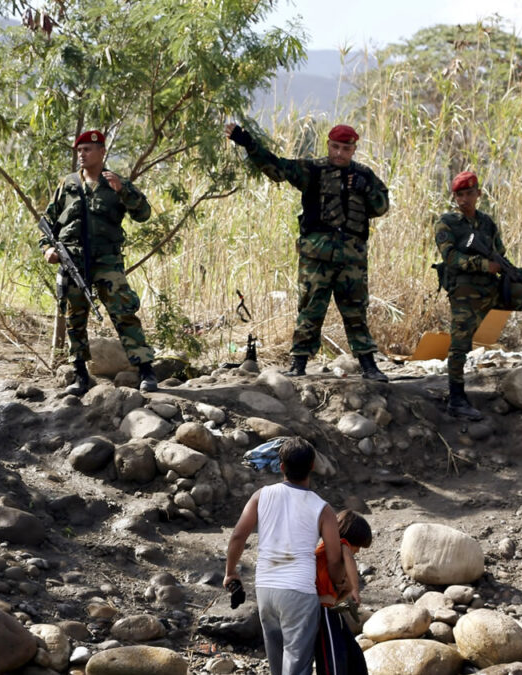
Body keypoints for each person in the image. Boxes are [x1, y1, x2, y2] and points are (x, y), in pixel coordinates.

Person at [225, 122, 390, 380]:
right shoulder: (312, 170)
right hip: (317, 257)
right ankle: (298, 364)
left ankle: (369, 365)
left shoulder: (365, 175)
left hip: (352, 259)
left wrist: (363, 187)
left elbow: (381, 207)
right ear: (328, 145)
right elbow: (276, 168)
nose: (339, 153)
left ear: (353, 149)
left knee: (356, 310)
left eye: (345, 149)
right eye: (335, 147)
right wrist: (246, 141)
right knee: (310, 309)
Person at [41, 129, 158, 396]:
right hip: (73, 261)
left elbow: (144, 214)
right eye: (79, 151)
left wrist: (124, 190)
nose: (82, 155)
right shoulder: (68, 184)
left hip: (107, 262)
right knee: (75, 318)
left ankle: (146, 370)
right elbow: (47, 222)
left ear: (102, 152)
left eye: (88, 150)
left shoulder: (114, 183)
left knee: (124, 313)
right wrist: (48, 249)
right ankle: (81, 375)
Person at [435, 171, 522, 420]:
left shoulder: (487, 223)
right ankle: (456, 399)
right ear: (454, 197)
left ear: (479, 194)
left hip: (493, 289)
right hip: (467, 292)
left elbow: (501, 257)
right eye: (459, 195)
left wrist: (521, 276)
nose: (464, 199)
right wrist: (482, 264)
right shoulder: (447, 223)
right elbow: (451, 257)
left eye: (469, 193)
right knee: (459, 346)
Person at [224, 438, 347, 675]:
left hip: (266, 588)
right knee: (297, 666)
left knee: (277, 666)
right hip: (299, 592)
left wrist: (231, 572)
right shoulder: (323, 508)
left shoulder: (262, 495)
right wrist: (336, 586)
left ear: (281, 467)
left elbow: (238, 536)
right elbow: (333, 558)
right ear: (312, 466)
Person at [314, 510, 372, 675]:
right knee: (333, 658)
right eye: (358, 546)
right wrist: (354, 588)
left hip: (331, 609)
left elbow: (336, 595)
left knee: (354, 657)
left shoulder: (331, 554)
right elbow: (349, 559)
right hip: (322, 610)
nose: (358, 551)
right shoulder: (339, 544)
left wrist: (345, 592)